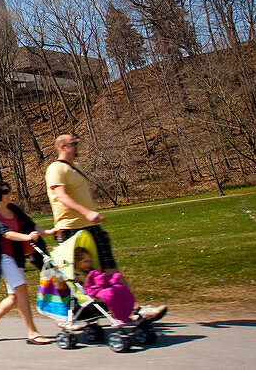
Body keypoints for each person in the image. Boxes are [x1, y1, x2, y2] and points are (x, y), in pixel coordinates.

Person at [45, 134, 167, 324]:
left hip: (91, 227)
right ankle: (68, 317)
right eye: (73, 144)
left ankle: (133, 309)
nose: (77, 146)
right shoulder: (56, 168)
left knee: (110, 269)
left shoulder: (75, 168)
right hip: (71, 229)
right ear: (62, 146)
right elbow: (60, 196)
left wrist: (90, 216)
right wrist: (86, 212)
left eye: (77, 143)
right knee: (72, 277)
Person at [0, 181, 52, 345]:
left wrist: (49, 232)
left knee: (13, 297)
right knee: (22, 291)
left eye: (9, 190)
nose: (9, 193)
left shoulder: (14, 209)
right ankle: (32, 333)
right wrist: (26, 237)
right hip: (3, 258)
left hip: (17, 257)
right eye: (6, 191)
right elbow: (5, 234)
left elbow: (31, 226)